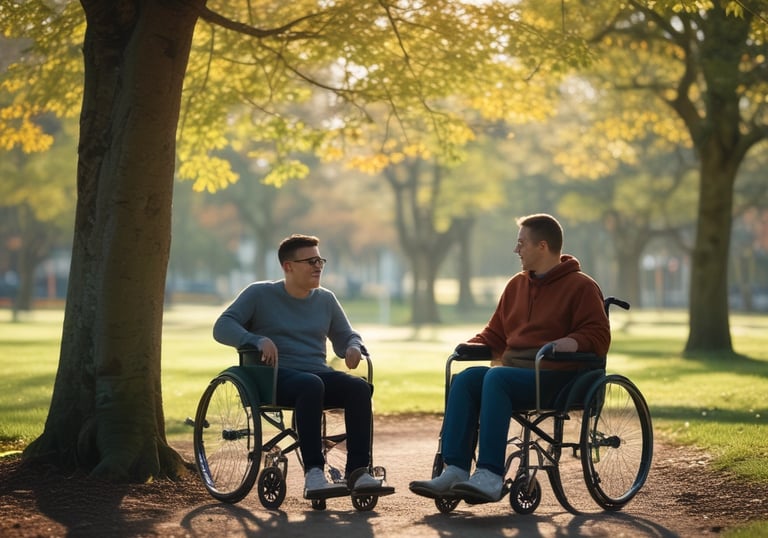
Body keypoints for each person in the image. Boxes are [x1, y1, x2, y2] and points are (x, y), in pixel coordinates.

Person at [409, 213, 611, 503]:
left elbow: (599, 336)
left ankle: (490, 474)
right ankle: (455, 469)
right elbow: (496, 333)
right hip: (515, 376)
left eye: (521, 243)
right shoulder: (516, 285)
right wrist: (470, 346)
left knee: (496, 377)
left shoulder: (581, 286)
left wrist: (570, 341)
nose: (516, 250)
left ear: (542, 246)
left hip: (558, 378)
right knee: (467, 379)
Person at [213, 233, 391, 499]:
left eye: (320, 260)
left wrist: (353, 347)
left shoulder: (326, 299)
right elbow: (222, 327)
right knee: (310, 384)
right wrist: (255, 339)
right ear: (288, 266)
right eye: (310, 261)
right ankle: (314, 474)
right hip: (275, 377)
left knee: (358, 388)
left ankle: (358, 471)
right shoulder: (259, 294)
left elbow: (346, 335)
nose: (318, 266)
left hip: (315, 375)